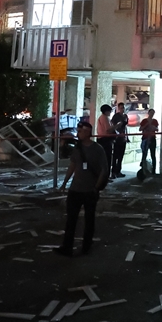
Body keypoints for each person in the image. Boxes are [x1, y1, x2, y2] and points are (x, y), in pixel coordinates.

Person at [56, 122, 107, 256]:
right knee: (71, 219)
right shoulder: (77, 148)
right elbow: (72, 165)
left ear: (87, 132)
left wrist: (96, 187)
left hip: (90, 190)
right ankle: (67, 247)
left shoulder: (98, 149)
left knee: (89, 219)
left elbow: (104, 170)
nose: (78, 134)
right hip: (75, 189)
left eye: (80, 131)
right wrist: (65, 183)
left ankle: (86, 246)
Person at [137, 109, 158, 176]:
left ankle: (153, 170)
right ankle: (143, 170)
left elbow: (157, 129)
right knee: (144, 154)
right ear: (148, 113)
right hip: (145, 139)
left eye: (153, 113)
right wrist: (146, 125)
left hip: (152, 138)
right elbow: (140, 129)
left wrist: (154, 128)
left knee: (153, 154)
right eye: (151, 112)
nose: (152, 114)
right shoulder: (144, 121)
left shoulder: (155, 121)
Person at [110, 102, 128, 179]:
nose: (122, 109)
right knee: (115, 156)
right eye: (121, 108)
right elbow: (113, 125)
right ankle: (113, 172)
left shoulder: (125, 116)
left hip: (123, 137)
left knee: (121, 156)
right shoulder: (116, 116)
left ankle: (118, 171)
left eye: (123, 108)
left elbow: (125, 126)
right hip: (118, 138)